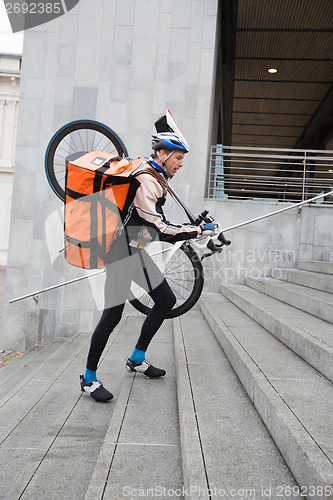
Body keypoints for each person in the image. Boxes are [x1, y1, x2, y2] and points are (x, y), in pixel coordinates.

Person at [80, 130, 214, 402]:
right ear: (162, 154)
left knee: (165, 300)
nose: (181, 163)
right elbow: (160, 228)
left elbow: (148, 226)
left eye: (183, 158)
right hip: (119, 252)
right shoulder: (146, 179)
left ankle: (137, 359)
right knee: (112, 317)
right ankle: (89, 378)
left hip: (133, 248)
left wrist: (193, 229)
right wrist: (197, 231)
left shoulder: (154, 173)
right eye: (178, 157)